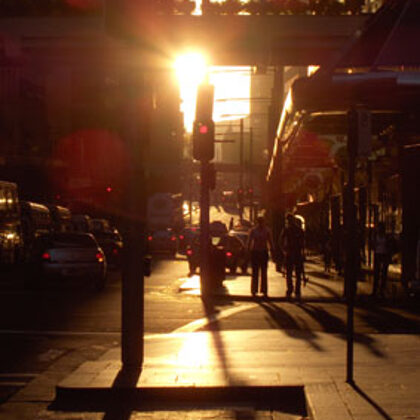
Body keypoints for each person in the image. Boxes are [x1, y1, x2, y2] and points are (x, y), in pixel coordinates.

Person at [280, 214, 305, 300]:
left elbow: (281, 241)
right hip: (297, 253)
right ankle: (297, 290)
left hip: (290, 253)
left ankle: (290, 289)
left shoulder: (287, 230)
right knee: (297, 273)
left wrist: (284, 250)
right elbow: (303, 243)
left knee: (289, 273)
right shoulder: (299, 230)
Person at [247, 216, 274, 297]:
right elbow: (270, 242)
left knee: (260, 272)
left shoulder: (255, 231)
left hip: (259, 252)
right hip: (259, 252)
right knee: (259, 272)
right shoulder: (265, 230)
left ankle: (257, 290)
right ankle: (259, 290)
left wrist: (248, 250)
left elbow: (249, 242)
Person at [371, 222, 395, 297]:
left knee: (383, 273)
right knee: (377, 273)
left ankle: (381, 290)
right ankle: (375, 290)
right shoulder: (376, 236)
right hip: (378, 254)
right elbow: (373, 244)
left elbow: (389, 245)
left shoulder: (386, 236)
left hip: (384, 254)